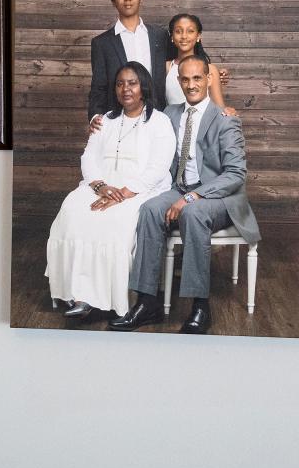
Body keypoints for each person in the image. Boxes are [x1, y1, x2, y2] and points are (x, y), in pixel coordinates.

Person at [108, 55, 260, 334]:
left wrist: (193, 197)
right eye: (186, 79)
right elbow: (140, 134)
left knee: (192, 212)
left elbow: (236, 174)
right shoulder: (170, 115)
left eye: (198, 78)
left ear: (209, 79)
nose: (191, 85)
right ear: (178, 81)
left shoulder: (226, 119)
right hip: (178, 187)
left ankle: (200, 306)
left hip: (218, 198)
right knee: (151, 209)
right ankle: (146, 302)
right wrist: (100, 123)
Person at [45, 62, 176, 318]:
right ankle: (76, 295)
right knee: (73, 210)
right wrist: (101, 186)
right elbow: (88, 157)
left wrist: (124, 193)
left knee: (115, 221)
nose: (125, 89)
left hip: (140, 189)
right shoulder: (104, 120)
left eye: (132, 83)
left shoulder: (159, 122)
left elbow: (158, 167)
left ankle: (104, 298)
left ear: (144, 87)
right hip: (102, 186)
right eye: (120, 83)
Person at [87, 0, 169, 122]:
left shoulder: (160, 35)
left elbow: (182, 63)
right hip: (120, 118)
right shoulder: (102, 43)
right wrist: (95, 116)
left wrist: (214, 73)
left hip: (159, 115)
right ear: (113, 1)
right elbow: (98, 87)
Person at [165, 13, 231, 109]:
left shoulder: (210, 70)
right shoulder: (166, 67)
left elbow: (219, 107)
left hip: (203, 123)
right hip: (172, 122)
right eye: (178, 31)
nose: (184, 36)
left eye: (190, 31)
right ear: (172, 36)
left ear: (198, 36)